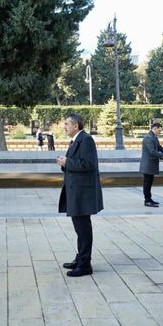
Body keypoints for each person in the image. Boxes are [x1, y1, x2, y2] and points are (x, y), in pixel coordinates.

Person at [57, 112, 104, 278]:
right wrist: (65, 163)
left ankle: (85, 264)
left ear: (76, 126)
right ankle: (81, 258)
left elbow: (88, 164)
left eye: (67, 124)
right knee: (80, 228)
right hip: (77, 191)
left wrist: (66, 162)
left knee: (83, 229)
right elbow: (77, 163)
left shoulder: (86, 139)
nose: (64, 127)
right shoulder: (77, 139)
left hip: (83, 193)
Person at [140, 123, 163, 207]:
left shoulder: (153, 137)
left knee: (149, 182)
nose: (160, 132)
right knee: (147, 183)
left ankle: (149, 199)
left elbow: (159, 147)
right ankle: (147, 200)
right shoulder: (148, 138)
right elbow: (152, 151)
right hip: (148, 165)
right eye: (159, 130)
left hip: (151, 164)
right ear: (155, 128)